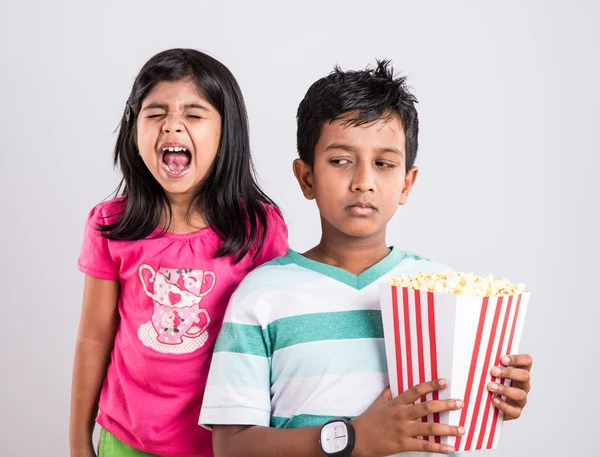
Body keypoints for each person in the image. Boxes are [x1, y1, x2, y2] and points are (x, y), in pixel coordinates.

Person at [199, 60, 533, 457]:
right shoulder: (261, 297)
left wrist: (496, 391)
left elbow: (457, 417)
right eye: (340, 160)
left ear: (407, 183)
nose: (363, 181)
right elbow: (231, 447)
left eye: (384, 164)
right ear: (307, 177)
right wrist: (351, 439)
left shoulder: (442, 292)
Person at [70, 48, 289, 457]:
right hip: (125, 439)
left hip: (222, 444)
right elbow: (93, 338)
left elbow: (274, 344)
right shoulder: (110, 225)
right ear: (133, 132)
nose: (172, 125)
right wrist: (79, 443)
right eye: (155, 114)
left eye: (193, 114)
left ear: (227, 132)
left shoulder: (259, 228)